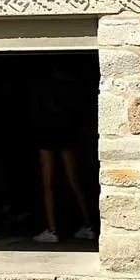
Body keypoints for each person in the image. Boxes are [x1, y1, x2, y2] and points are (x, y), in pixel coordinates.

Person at [28, 54, 95, 243]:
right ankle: (88, 225)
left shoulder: (42, 86)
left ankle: (52, 229)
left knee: (47, 183)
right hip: (68, 134)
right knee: (74, 181)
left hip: (46, 134)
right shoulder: (73, 86)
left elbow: (36, 110)